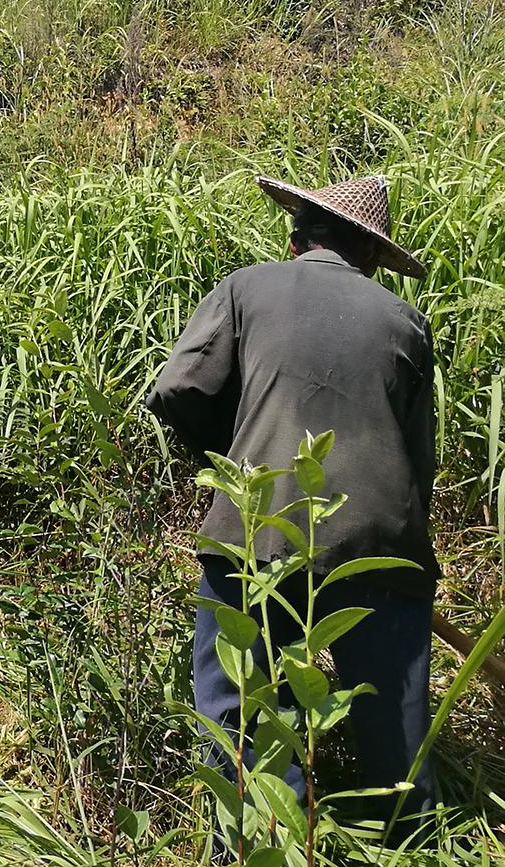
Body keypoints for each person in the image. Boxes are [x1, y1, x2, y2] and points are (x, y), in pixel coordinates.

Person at [146, 173, 437, 828]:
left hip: (256, 526)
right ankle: (415, 851)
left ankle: (256, 851)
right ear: (370, 256)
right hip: (381, 544)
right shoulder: (407, 323)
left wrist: (240, 457)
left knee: (237, 704)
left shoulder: (247, 287)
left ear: (295, 239)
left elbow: (176, 389)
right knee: (396, 722)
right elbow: (422, 466)